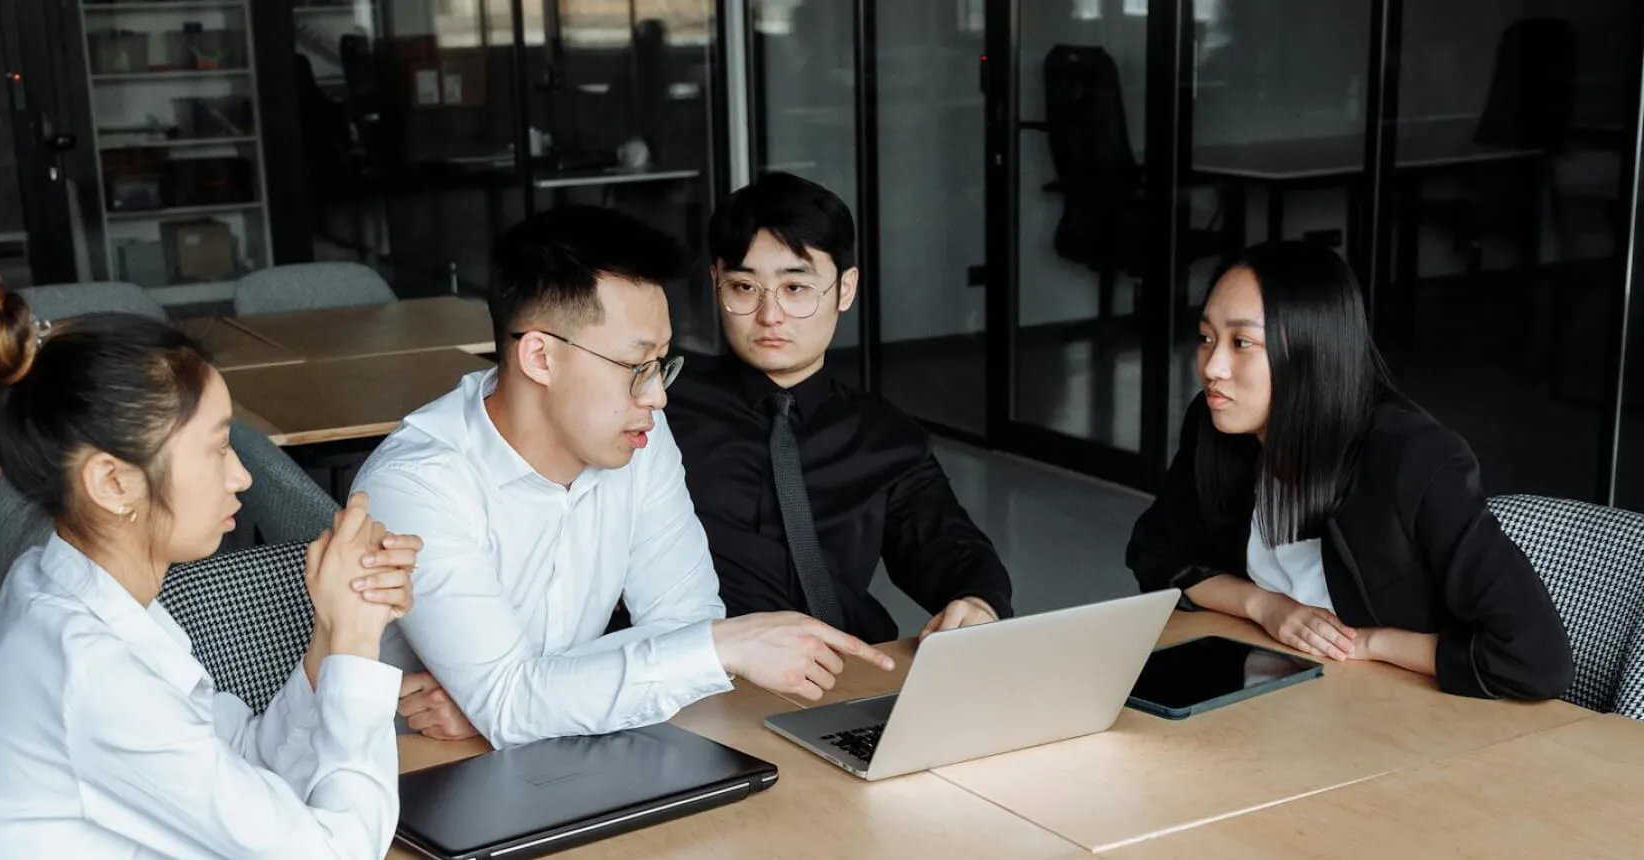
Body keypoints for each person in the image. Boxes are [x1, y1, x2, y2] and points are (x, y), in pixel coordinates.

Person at [0, 269, 422, 859]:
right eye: (218, 448)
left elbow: (241, 762)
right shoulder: (91, 669)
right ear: (113, 482)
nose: (241, 477)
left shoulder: (70, 592)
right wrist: (356, 645)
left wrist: (329, 639)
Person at [354, 205, 895, 748]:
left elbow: (684, 622)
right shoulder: (418, 485)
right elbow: (512, 700)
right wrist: (512, 702)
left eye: (661, 364)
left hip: (564, 754)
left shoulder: (639, 437)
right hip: (405, 765)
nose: (657, 396)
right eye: (637, 367)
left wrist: (526, 702)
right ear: (540, 357)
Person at [1125, 241, 1572, 700]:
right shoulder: (1219, 422)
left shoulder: (1411, 457)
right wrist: (1265, 606)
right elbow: (1160, 556)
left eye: (1242, 343)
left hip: (1396, 711)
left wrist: (1371, 643)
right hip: (1271, 692)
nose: (1212, 368)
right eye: (1206, 338)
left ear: (1312, 351)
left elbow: (1535, 660)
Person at [666, 173, 1014, 645]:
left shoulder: (885, 436)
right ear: (716, 283)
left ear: (845, 289)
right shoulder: (660, 409)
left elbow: (945, 540)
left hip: (843, 664)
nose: (770, 315)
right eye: (744, 287)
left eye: (796, 288)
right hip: (698, 668)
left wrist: (978, 599)